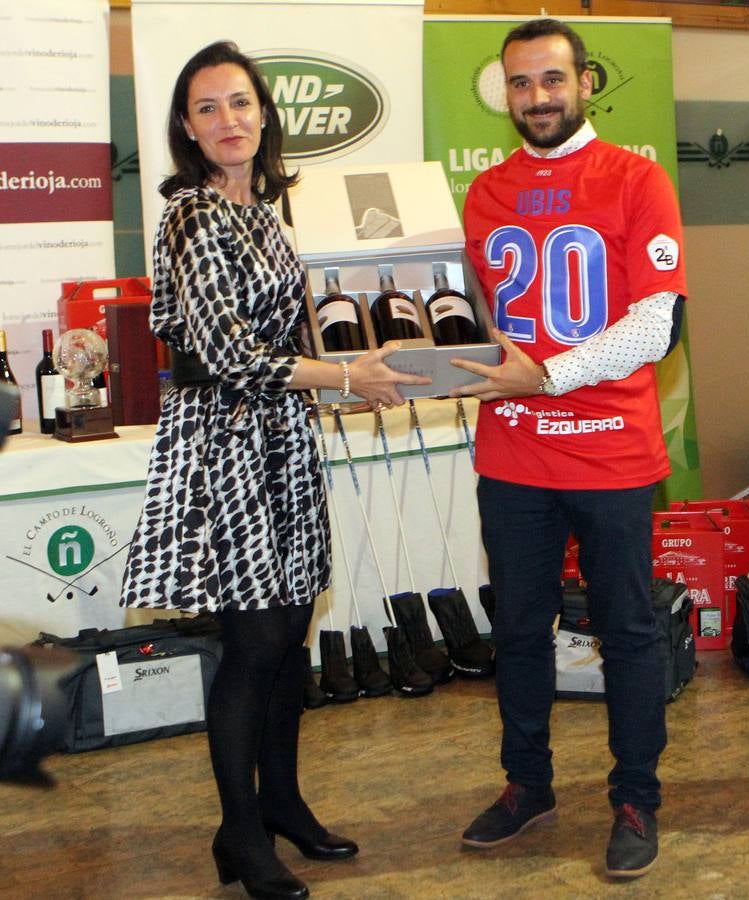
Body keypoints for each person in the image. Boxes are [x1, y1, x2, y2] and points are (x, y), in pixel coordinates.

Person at [120, 40, 429, 900]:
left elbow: (281, 346)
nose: (228, 121)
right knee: (253, 645)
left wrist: (350, 384)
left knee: (289, 633)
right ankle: (239, 833)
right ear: (186, 126)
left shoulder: (260, 212)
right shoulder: (190, 214)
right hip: (225, 443)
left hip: (282, 436)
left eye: (241, 103)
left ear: (265, 114)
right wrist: (343, 376)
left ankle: (284, 802)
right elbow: (222, 351)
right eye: (208, 107)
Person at [449, 18, 688, 880]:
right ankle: (527, 785)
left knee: (627, 631)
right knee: (516, 631)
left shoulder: (637, 179)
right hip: (512, 457)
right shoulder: (485, 195)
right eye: (519, 83)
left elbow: (653, 326)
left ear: (584, 81)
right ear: (503, 92)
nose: (536, 98)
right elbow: (475, 330)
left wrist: (544, 378)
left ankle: (634, 798)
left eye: (551, 80)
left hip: (612, 454)